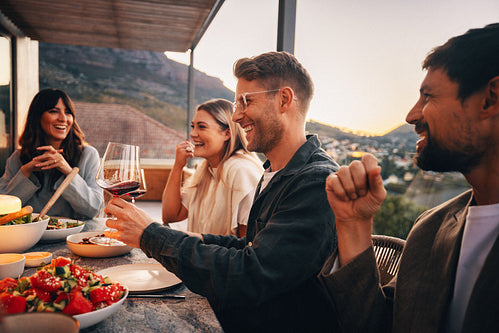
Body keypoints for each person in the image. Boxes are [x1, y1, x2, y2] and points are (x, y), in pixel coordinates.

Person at [103, 51, 340, 332]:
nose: (237, 115)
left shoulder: (316, 180)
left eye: (246, 101)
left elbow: (250, 276)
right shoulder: (276, 172)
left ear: (284, 100)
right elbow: (253, 245)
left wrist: (150, 235)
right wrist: (198, 237)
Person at [319, 23, 499, 333]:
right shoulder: (429, 230)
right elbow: (376, 326)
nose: (411, 115)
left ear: (491, 99)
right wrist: (353, 224)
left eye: (427, 97)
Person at [162, 98, 262, 236]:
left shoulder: (241, 171)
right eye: (193, 126)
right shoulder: (206, 170)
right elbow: (170, 215)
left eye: (201, 126)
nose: (192, 134)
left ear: (227, 133)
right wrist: (178, 166)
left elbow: (247, 243)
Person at [0, 88, 104, 220]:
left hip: (74, 237)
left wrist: (67, 171)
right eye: (54, 111)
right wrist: (26, 171)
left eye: (68, 113)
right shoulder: (18, 157)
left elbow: (93, 209)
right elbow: (2, 212)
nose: (63, 119)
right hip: (29, 238)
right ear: (38, 117)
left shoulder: (88, 155)